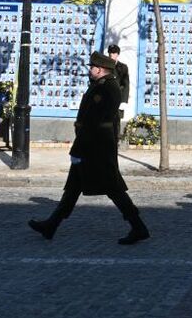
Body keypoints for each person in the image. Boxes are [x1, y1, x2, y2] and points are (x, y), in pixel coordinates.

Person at [27, 51, 150, 244]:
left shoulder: (106, 87)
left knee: (113, 188)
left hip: (96, 146)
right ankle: (51, 225)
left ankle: (138, 227)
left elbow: (94, 121)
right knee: (73, 187)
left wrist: (79, 147)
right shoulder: (102, 85)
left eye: (92, 67)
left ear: (100, 69)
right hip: (93, 144)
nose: (90, 70)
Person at [107, 44, 129, 142]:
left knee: (116, 121)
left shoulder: (123, 67)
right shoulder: (104, 66)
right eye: (111, 52)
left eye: (114, 53)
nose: (112, 55)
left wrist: (124, 101)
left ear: (118, 54)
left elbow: (126, 84)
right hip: (106, 98)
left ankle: (115, 141)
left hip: (118, 99)